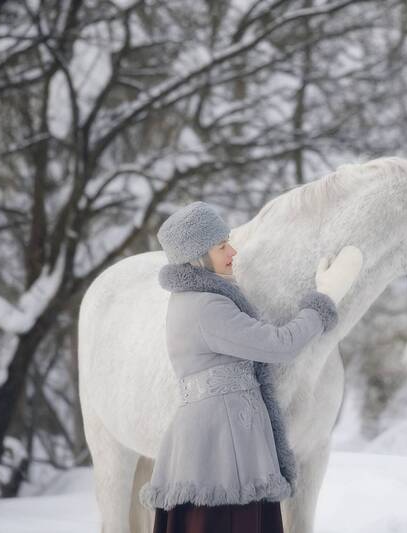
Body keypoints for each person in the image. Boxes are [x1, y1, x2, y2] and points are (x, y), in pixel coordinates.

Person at [139, 201, 363, 533]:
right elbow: (280, 345)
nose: (232, 252)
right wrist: (324, 298)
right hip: (224, 451)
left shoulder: (192, 300)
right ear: (198, 256)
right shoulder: (206, 307)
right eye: (221, 246)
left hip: (221, 441)